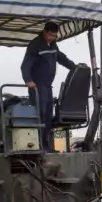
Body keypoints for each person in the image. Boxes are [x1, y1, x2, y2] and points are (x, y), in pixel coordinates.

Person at [20, 21, 78, 152]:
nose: (52, 38)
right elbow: (25, 65)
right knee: (39, 114)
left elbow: (61, 57)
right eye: (50, 35)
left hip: (47, 86)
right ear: (45, 32)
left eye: (54, 36)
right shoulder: (35, 45)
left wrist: (74, 67)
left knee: (48, 115)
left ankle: (47, 145)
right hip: (37, 86)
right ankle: (38, 145)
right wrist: (28, 80)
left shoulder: (53, 45)